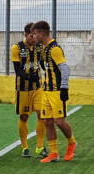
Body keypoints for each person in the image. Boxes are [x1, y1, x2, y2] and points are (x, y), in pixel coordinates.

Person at [31, 21, 77, 163]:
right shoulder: (44, 49)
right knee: (47, 121)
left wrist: (64, 87)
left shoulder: (54, 49)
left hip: (57, 91)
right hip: (46, 91)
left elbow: (65, 68)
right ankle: (54, 153)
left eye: (35, 33)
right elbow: (47, 68)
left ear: (42, 33)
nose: (33, 36)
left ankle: (71, 143)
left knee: (59, 121)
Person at [11, 23, 47, 158]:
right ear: (26, 34)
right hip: (23, 88)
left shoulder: (39, 47)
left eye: (36, 35)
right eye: (32, 35)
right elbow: (17, 71)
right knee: (24, 117)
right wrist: (28, 76)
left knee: (41, 114)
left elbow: (43, 64)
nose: (35, 38)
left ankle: (40, 146)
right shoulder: (17, 48)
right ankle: (25, 147)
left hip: (38, 87)